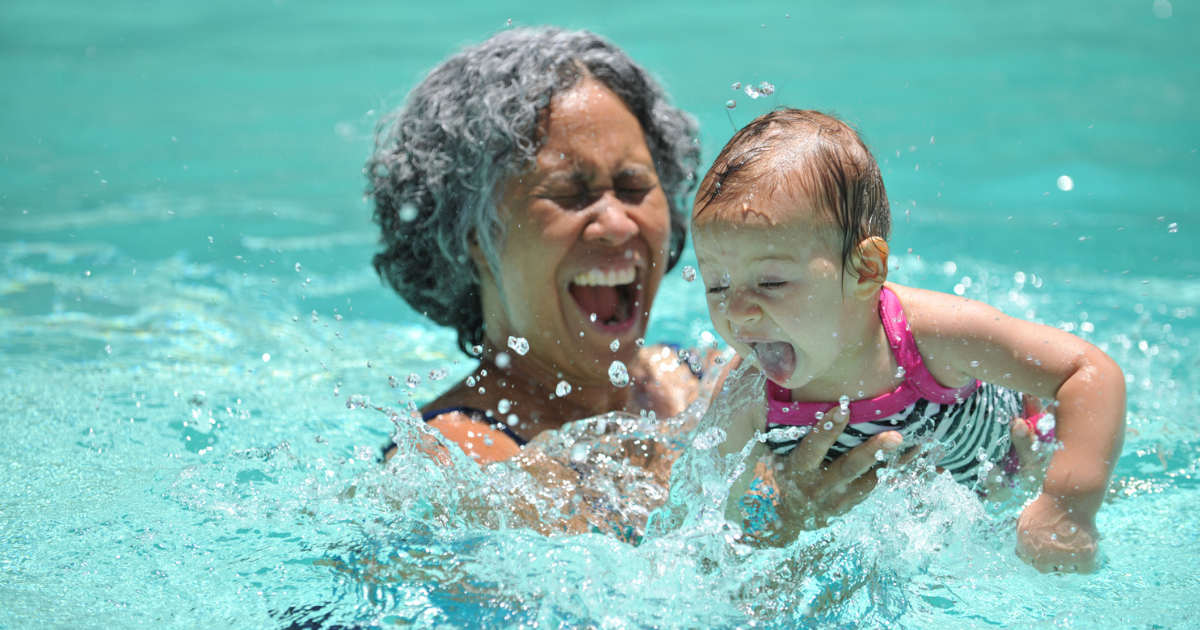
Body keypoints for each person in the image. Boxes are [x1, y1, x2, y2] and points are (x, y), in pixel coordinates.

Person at [365, 29, 904, 525]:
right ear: (475, 239)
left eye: (632, 186)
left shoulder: (705, 381)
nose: (618, 223)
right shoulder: (455, 465)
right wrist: (771, 531)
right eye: (571, 194)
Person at [692, 109, 1125, 573]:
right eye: (717, 286)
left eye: (772, 282)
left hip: (1017, 464)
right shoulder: (747, 394)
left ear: (866, 270)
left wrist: (1065, 505)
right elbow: (704, 524)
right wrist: (780, 515)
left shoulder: (933, 337)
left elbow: (1090, 373)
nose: (737, 311)